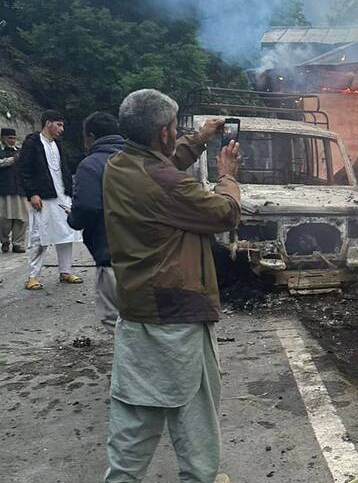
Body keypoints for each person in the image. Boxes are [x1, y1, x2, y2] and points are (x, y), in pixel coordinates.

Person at [103, 89, 240, 483]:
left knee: (134, 413)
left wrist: (198, 140)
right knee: (195, 415)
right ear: (164, 133)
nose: (178, 133)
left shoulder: (120, 164)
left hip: (137, 310)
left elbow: (162, 169)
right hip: (177, 314)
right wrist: (227, 175)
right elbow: (225, 212)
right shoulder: (165, 184)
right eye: (176, 128)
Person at [67, 112, 125, 331]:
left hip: (110, 253)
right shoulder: (138, 159)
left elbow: (87, 207)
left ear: (90, 137)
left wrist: (72, 218)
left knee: (116, 321)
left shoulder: (90, 165)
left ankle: (130, 365)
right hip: (146, 256)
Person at [18, 110, 82, 290]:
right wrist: (32, 193)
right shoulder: (32, 143)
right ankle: (32, 276)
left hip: (62, 195)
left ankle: (65, 271)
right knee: (40, 236)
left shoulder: (58, 144)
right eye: (58, 124)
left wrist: (70, 192)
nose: (62, 129)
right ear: (48, 123)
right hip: (42, 197)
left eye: (62, 125)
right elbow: (25, 171)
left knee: (65, 233)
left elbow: (65, 168)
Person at [0, 127, 27, 253]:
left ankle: (18, 243)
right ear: (2, 138)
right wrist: (12, 160)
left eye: (14, 138)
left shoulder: (21, 151)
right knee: (4, 218)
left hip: (20, 188)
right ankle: (5, 241)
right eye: (9, 138)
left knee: (21, 218)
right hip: (4, 189)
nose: (12, 140)